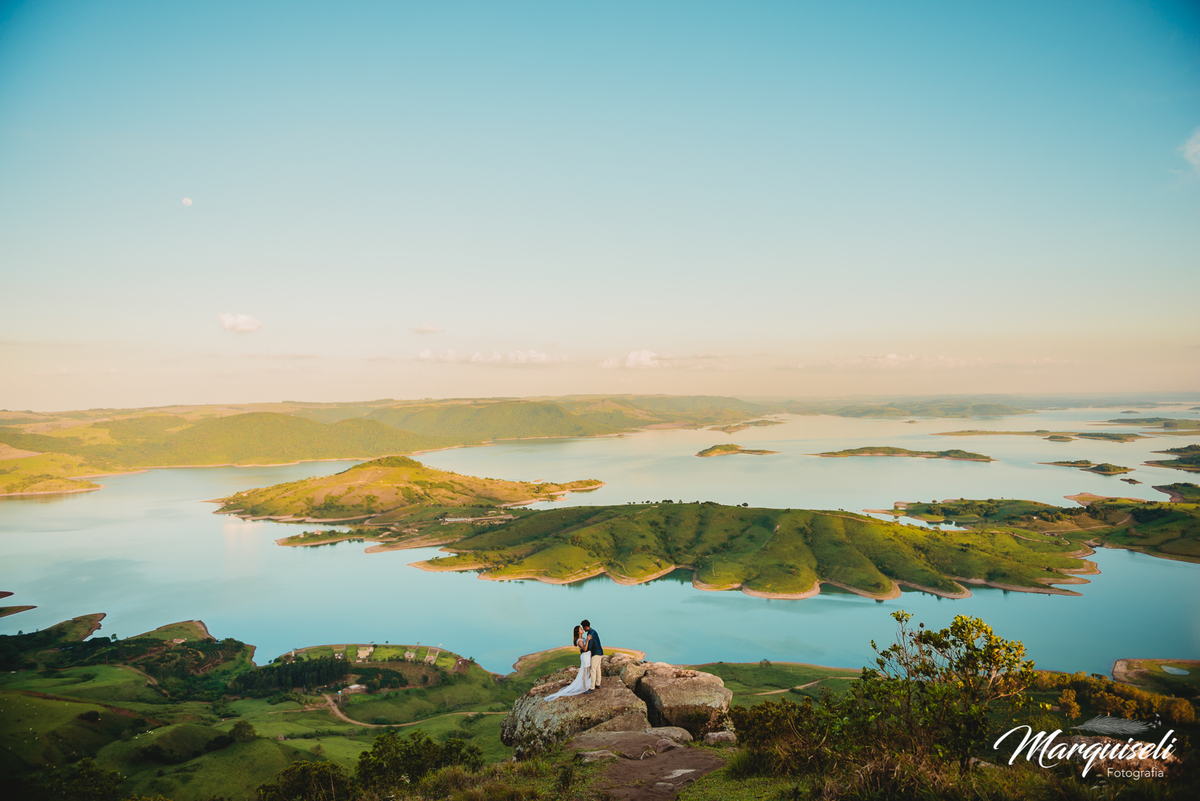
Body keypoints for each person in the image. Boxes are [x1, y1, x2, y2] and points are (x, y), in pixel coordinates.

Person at [545, 626, 592, 701]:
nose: (582, 630)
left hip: (588, 656)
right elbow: (585, 649)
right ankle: (585, 687)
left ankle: (588, 685)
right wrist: (588, 640)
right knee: (585, 672)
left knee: (589, 671)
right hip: (585, 657)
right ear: (578, 632)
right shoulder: (579, 641)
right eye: (580, 629)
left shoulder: (583, 638)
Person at [581, 619, 603, 693]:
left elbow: (589, 647)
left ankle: (592, 687)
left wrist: (583, 650)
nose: (583, 629)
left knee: (593, 670)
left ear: (586, 627)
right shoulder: (593, 631)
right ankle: (598, 683)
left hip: (595, 653)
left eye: (583, 627)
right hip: (600, 652)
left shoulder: (590, 634)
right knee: (597, 668)